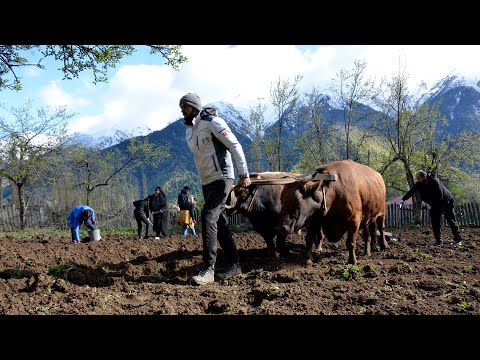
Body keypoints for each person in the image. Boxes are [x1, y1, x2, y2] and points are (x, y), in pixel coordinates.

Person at [179, 92, 251, 285]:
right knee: (219, 222)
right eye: (181, 107)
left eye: (184, 107)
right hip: (206, 182)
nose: (181, 110)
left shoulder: (213, 122)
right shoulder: (189, 130)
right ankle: (235, 265)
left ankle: (208, 269)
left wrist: (244, 174)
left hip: (223, 179)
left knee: (208, 215)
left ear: (194, 107)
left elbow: (235, 145)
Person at [400, 170, 462, 246]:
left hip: (446, 202)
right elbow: (412, 191)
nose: (417, 180)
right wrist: (403, 199)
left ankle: (458, 239)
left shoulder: (435, 181)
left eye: (418, 178)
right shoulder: (420, 183)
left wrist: (429, 204)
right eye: (417, 179)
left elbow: (440, 196)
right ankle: (438, 241)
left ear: (424, 177)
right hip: (434, 204)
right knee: (435, 221)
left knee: (451, 220)